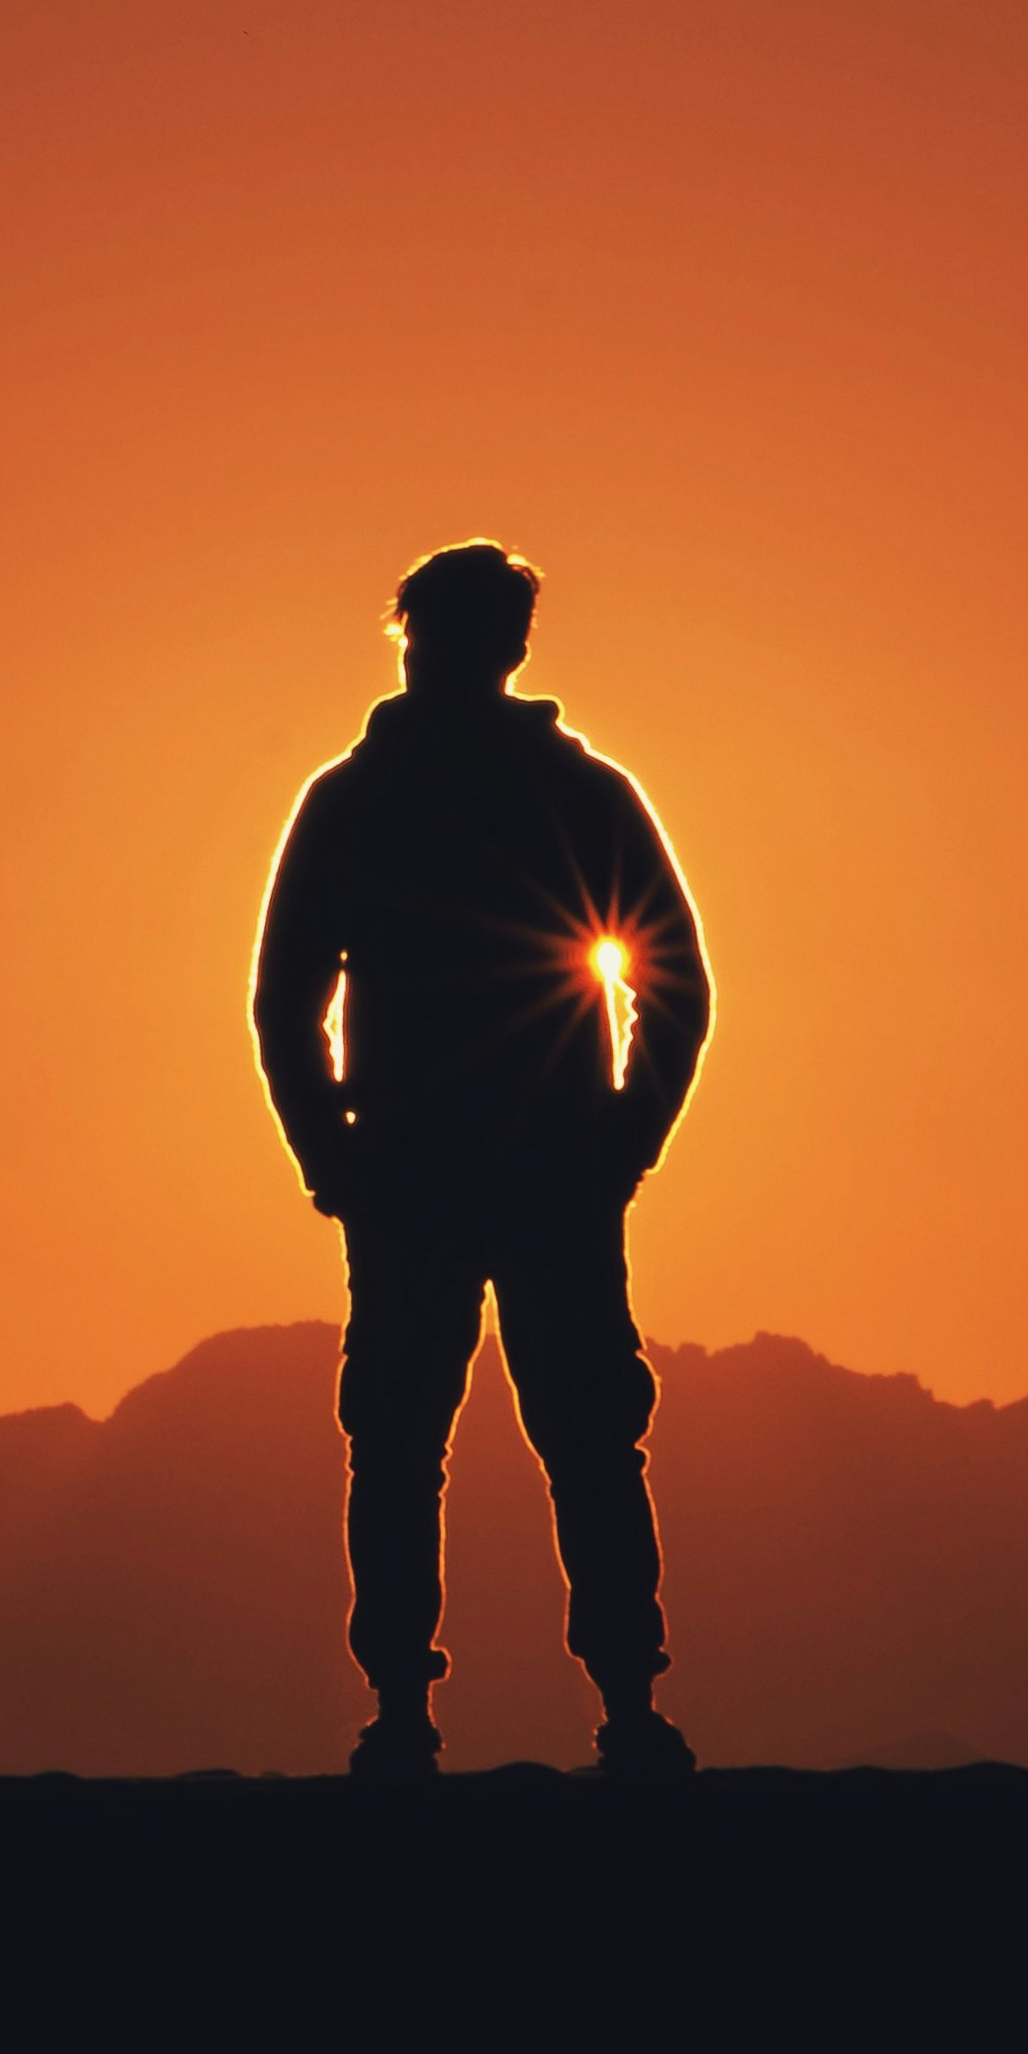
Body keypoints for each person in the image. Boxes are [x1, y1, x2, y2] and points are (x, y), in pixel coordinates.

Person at [250, 541, 712, 1781]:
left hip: (467, 1170)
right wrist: (621, 1134)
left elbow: (285, 1000)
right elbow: (285, 999)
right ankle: (543, 1709)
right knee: (481, 1437)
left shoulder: (369, 799)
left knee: (457, 1437)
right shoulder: (555, 794)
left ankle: (496, 1710)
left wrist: (624, 1135)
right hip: (476, 1171)